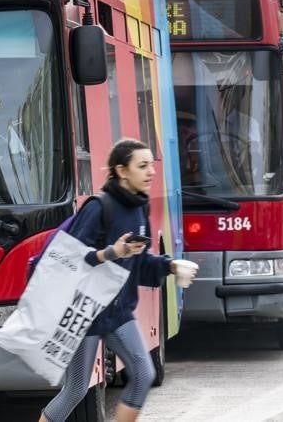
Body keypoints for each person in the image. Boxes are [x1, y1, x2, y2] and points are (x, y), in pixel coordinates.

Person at [37, 138, 195, 422]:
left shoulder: (139, 208)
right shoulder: (99, 207)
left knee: (143, 373)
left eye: (152, 166)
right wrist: (113, 252)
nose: (151, 172)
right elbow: (72, 257)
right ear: (122, 170)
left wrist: (170, 265)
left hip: (117, 311)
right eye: (143, 166)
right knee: (75, 389)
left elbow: (139, 263)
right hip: (86, 312)